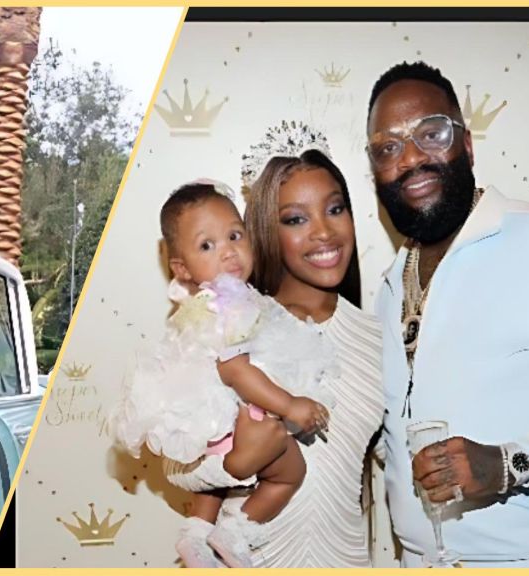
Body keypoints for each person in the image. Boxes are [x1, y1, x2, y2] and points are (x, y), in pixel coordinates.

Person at [367, 61, 529, 567]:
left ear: (467, 145)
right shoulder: (387, 288)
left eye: (431, 133)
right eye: (388, 148)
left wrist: (509, 463)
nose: (411, 158)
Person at [114, 181, 335, 568]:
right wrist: (290, 405)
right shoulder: (231, 302)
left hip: (208, 426)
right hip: (236, 426)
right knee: (289, 472)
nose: (228, 251)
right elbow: (234, 370)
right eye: (207, 245)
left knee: (213, 481)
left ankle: (196, 534)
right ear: (181, 268)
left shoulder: (201, 305)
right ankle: (236, 531)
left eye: (235, 235)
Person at [224, 122, 384, 567]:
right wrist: (234, 464)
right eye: (296, 219)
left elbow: (390, 453)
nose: (324, 232)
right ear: (266, 230)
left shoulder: (376, 334)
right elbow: (179, 461)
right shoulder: (240, 327)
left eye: (335, 209)